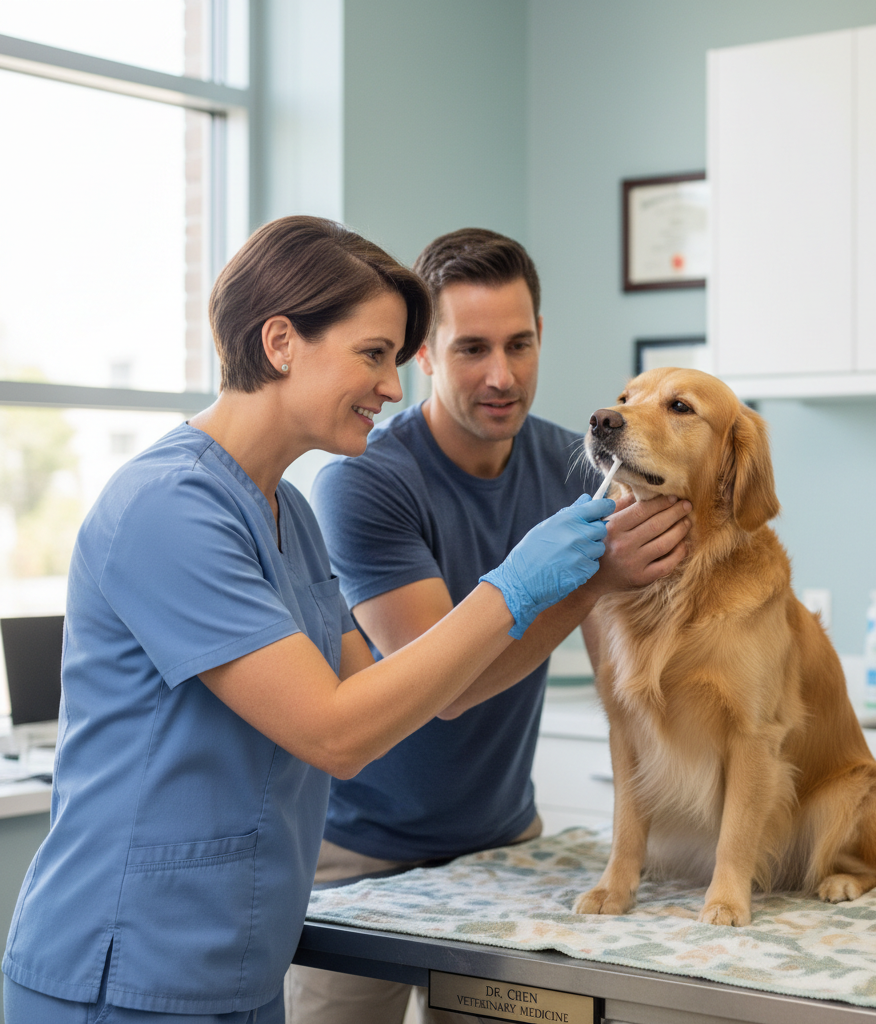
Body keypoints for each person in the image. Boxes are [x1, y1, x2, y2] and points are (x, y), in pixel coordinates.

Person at [1, 216, 621, 1024]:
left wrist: (574, 586)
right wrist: (516, 585)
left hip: (240, 966)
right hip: (124, 971)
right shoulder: (168, 509)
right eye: (373, 356)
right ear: (282, 341)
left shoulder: (286, 509)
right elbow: (336, 734)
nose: (394, 388)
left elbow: (384, 696)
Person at [287, 228, 691, 1024]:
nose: (501, 375)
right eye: (471, 348)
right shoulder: (365, 482)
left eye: (520, 344)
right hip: (360, 858)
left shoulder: (573, 466)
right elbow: (443, 686)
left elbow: (628, 661)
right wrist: (590, 584)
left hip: (505, 842)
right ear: (423, 356)